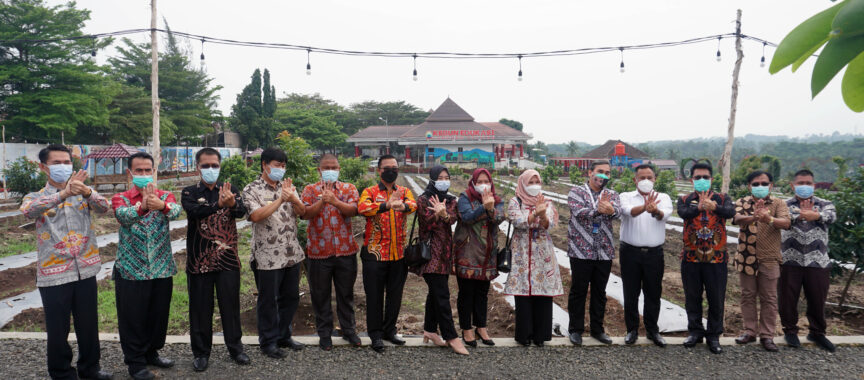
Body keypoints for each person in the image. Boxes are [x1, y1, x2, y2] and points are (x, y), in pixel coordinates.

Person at [20, 145, 113, 380]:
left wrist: (87, 192)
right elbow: (29, 212)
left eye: (67, 162)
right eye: (57, 163)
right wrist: (63, 194)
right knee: (58, 328)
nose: (63, 167)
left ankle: (90, 368)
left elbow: (104, 207)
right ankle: (61, 372)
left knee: (88, 324)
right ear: (43, 167)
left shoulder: (83, 192)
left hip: (85, 269)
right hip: (54, 273)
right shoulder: (35, 196)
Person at [111, 152, 182, 380]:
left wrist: (162, 206)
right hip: (132, 271)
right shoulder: (121, 197)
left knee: (158, 315)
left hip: (161, 268)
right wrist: (142, 206)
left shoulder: (165, 195)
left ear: (154, 171)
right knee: (133, 318)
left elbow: (177, 211)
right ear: (129, 173)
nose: (143, 174)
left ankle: (152, 352)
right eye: (138, 171)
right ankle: (135, 363)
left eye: (147, 170)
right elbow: (123, 217)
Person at [180, 148, 249, 371]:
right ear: (197, 167)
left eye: (215, 165)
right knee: (200, 309)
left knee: (230, 306)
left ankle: (236, 349)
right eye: (206, 165)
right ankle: (201, 353)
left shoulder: (230, 190)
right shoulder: (189, 192)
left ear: (220, 166)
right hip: (199, 260)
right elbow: (194, 213)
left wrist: (231, 203)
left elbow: (242, 212)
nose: (211, 169)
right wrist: (219, 205)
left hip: (227, 259)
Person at [242, 147, 307, 359]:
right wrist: (280, 199)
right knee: (268, 301)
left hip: (291, 254)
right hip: (267, 257)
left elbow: (303, 213)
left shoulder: (288, 187)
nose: (281, 169)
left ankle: (283, 335)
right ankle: (268, 342)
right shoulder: (251, 190)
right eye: (277, 165)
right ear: (264, 164)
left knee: (290, 298)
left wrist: (294, 199)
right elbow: (256, 216)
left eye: (283, 166)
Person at [300, 154, 363, 351]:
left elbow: (354, 210)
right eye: (326, 167)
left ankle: (349, 330)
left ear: (339, 169)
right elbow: (304, 213)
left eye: (334, 167)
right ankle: (324, 333)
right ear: (319, 170)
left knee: (346, 294)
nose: (330, 170)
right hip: (318, 253)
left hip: (345, 252)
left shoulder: (349, 188)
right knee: (320, 295)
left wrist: (334, 201)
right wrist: (323, 202)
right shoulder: (310, 190)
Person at [357, 154, 417, 353]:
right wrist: (386, 205)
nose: (391, 170)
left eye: (394, 167)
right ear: (379, 170)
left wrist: (402, 205)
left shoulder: (404, 191)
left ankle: (389, 331)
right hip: (375, 254)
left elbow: (413, 205)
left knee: (395, 295)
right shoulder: (370, 192)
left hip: (398, 255)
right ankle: (375, 334)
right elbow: (362, 208)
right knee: (374, 296)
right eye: (387, 167)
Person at [677, 162, 735, 355]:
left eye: (706, 177)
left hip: (716, 259)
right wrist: (699, 207)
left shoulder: (723, 198)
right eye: (698, 177)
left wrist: (715, 207)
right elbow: (683, 214)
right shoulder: (685, 199)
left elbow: (731, 213)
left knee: (716, 298)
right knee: (692, 297)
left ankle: (713, 335)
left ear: (711, 179)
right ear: (692, 179)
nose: (702, 181)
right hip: (691, 258)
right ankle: (695, 332)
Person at [410, 165, 468, 355]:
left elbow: (452, 220)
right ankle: (451, 336)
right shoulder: (423, 199)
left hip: (445, 255)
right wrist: (437, 214)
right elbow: (426, 222)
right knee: (442, 296)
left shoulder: (451, 200)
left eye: (447, 177)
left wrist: (444, 213)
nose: (444, 180)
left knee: (435, 293)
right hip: (430, 256)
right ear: (433, 179)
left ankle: (430, 329)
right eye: (440, 177)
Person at [732, 170, 791, 352]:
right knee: (747, 296)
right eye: (756, 184)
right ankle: (750, 331)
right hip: (746, 258)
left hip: (770, 259)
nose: (760, 187)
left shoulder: (778, 203)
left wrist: (769, 219)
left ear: (771, 185)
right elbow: (736, 218)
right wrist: (754, 218)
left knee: (769, 298)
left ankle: (767, 335)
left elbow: (786, 222)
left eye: (764, 183)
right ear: (749, 186)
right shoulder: (742, 202)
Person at [779, 169, 837, 352]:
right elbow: (784, 220)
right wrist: (800, 216)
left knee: (817, 299)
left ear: (814, 184)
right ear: (793, 185)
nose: (805, 186)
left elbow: (832, 217)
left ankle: (817, 332)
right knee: (787, 299)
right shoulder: (784, 204)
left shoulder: (824, 204)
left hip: (817, 262)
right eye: (801, 183)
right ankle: (790, 331)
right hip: (790, 261)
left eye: (809, 183)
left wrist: (817, 215)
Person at [505, 169, 563, 347]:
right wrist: (535, 214)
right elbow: (519, 222)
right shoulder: (515, 201)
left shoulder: (547, 202)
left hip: (542, 255)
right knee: (523, 294)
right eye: (530, 182)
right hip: (521, 253)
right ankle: (524, 335)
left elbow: (549, 225)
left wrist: (543, 214)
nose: (534, 185)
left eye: (537, 181)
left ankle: (541, 335)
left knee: (543, 293)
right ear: (522, 183)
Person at [566, 160, 620, 345]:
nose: (603, 175)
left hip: (604, 252)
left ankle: (597, 329)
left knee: (600, 292)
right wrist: (598, 210)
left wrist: (611, 210)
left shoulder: (612, 194)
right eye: (600, 171)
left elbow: (618, 212)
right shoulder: (576, 192)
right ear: (590, 173)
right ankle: (575, 330)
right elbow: (579, 211)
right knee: (578, 291)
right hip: (581, 250)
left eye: (607, 172)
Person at [619, 164, 672, 347]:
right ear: (635, 180)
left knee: (653, 293)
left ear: (655, 179)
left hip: (654, 254)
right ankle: (632, 330)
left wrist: (655, 210)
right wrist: (645, 207)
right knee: (630, 292)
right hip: (630, 253)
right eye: (642, 178)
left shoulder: (663, 198)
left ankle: (652, 330)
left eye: (649, 177)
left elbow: (663, 215)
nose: (646, 181)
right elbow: (628, 212)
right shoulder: (625, 196)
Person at [454, 168, 506, 347]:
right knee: (466, 292)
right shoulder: (464, 198)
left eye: (487, 181)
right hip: (468, 253)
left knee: (483, 293)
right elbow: (466, 217)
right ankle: (466, 328)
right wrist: (484, 207)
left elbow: (499, 218)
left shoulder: (497, 200)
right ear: (473, 182)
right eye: (480, 181)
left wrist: (491, 209)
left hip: (488, 255)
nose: (484, 185)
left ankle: (481, 327)